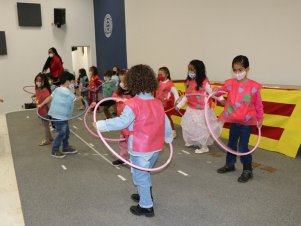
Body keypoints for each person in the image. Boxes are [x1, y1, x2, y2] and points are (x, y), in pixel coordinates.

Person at [94, 64, 173, 217]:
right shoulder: (157, 102)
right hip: (156, 146)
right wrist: (168, 138)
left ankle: (146, 206)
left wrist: (100, 125)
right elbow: (166, 123)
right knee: (145, 173)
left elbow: (121, 122)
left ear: (132, 83)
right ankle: (146, 194)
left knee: (140, 175)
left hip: (140, 148)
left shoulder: (133, 104)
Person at [216, 55, 263, 183]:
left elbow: (258, 105)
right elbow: (220, 92)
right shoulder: (230, 83)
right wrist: (215, 94)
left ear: (247, 69)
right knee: (231, 143)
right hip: (234, 119)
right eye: (235, 70)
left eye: (240, 70)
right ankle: (230, 164)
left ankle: (248, 170)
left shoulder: (253, 86)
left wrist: (260, 118)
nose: (237, 73)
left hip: (247, 122)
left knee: (243, 146)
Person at [176, 60, 224, 153]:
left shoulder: (204, 82)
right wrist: (179, 105)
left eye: (192, 69)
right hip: (191, 108)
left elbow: (212, 93)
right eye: (189, 69)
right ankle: (192, 141)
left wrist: (221, 99)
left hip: (202, 109)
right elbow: (187, 96)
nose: (190, 71)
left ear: (198, 70)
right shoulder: (188, 81)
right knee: (189, 124)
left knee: (201, 127)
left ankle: (204, 146)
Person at [38, 71, 81, 158]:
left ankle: (65, 147)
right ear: (67, 81)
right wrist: (81, 98)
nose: (72, 83)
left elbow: (49, 98)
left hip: (58, 115)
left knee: (66, 132)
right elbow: (75, 99)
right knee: (62, 133)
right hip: (60, 117)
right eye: (72, 81)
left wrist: (41, 104)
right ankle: (55, 150)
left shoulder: (57, 89)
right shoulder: (69, 93)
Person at [111, 69, 132, 166]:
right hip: (123, 119)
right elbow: (111, 100)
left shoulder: (134, 90)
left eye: (123, 75)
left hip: (132, 119)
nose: (121, 77)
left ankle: (135, 159)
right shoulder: (118, 89)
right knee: (122, 140)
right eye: (120, 75)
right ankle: (123, 157)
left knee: (132, 140)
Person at [155, 67, 179, 138]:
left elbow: (175, 93)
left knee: (167, 118)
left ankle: (173, 131)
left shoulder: (169, 84)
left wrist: (176, 102)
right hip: (158, 103)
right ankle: (161, 130)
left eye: (161, 74)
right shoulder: (159, 82)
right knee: (159, 118)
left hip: (165, 105)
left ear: (167, 74)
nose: (159, 76)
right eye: (158, 74)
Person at [32, 73, 53, 145]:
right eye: (37, 80)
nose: (38, 81)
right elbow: (38, 94)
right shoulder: (37, 88)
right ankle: (50, 138)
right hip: (39, 109)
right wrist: (34, 95)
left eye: (40, 80)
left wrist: (42, 104)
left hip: (44, 109)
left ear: (43, 81)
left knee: (45, 125)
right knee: (45, 124)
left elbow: (48, 98)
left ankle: (47, 140)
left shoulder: (45, 89)